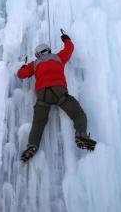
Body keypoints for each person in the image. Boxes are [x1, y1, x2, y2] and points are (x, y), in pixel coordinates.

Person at [17, 31, 96, 162]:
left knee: (38, 123)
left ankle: (32, 146)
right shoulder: (58, 57)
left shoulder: (35, 64)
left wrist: (24, 65)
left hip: (42, 95)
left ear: (37, 54)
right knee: (77, 113)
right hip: (59, 92)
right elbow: (69, 49)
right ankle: (81, 135)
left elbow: (21, 74)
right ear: (48, 50)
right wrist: (66, 38)